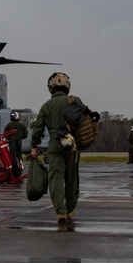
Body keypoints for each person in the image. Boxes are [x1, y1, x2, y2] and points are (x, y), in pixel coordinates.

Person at [30, 72, 85, 224]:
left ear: (51, 88)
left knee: (56, 177)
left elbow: (38, 128)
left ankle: (60, 211)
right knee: (72, 178)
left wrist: (34, 146)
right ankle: (70, 209)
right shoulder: (75, 100)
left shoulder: (46, 106)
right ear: (67, 86)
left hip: (54, 144)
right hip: (72, 143)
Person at [3, 111, 28, 178]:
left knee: (10, 158)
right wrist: (19, 137)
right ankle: (18, 172)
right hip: (18, 144)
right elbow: (25, 135)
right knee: (18, 157)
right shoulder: (22, 125)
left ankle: (12, 173)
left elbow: (5, 135)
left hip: (10, 144)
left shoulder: (8, 125)